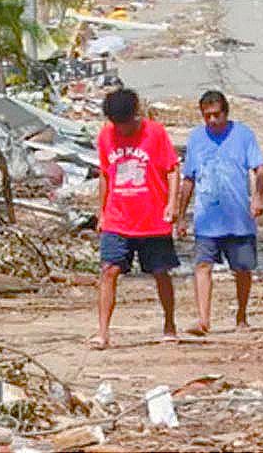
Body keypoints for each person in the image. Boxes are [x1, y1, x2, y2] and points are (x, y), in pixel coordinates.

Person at [91, 89, 180, 350]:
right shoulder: (106, 136)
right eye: (116, 124)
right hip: (118, 218)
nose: (122, 129)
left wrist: (172, 204)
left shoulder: (156, 133)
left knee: (161, 272)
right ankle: (103, 333)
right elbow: (105, 175)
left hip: (152, 218)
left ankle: (169, 324)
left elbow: (172, 169)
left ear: (135, 115)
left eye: (125, 123)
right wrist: (102, 212)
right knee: (109, 270)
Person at [177, 91, 263, 335]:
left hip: (238, 216)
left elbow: (259, 169)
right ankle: (203, 320)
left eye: (217, 115)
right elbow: (188, 178)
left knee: (242, 269)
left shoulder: (243, 135)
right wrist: (181, 215)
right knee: (202, 265)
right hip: (207, 217)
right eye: (207, 116)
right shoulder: (196, 138)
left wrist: (257, 198)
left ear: (226, 113)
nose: (213, 120)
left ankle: (241, 315)